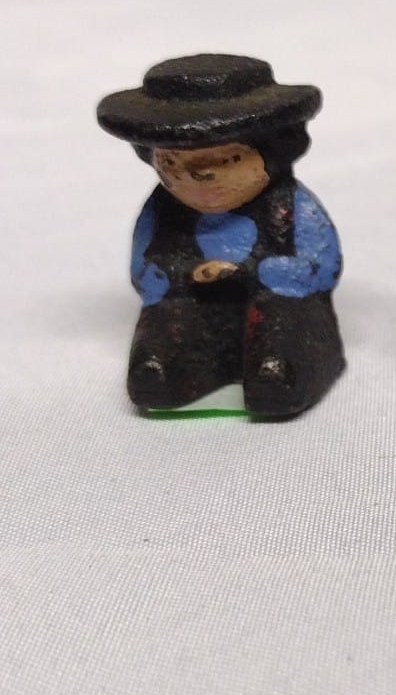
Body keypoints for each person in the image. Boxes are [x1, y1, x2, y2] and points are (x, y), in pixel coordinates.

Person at [96, 54, 343, 420]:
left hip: (278, 307)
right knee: (157, 363)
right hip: (193, 308)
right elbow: (145, 270)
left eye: (229, 161)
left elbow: (321, 266)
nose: (200, 179)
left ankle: (276, 380)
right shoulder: (163, 211)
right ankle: (173, 376)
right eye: (173, 164)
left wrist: (250, 271)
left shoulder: (292, 207)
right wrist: (183, 273)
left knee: (277, 357)